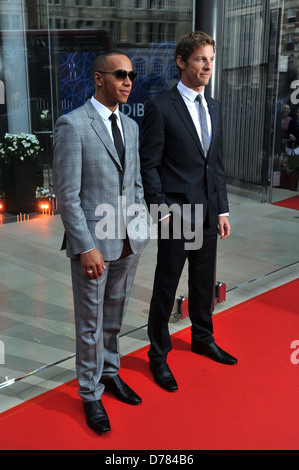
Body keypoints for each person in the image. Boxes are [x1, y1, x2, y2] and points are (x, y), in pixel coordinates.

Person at [53, 51, 149, 434]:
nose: (128, 81)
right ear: (98, 78)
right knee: (90, 323)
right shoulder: (72, 125)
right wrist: (85, 245)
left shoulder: (131, 127)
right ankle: (90, 393)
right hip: (94, 243)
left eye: (131, 75)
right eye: (120, 74)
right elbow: (67, 196)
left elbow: (137, 182)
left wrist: (139, 228)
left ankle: (110, 372)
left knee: (115, 314)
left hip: (128, 239)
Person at [139, 31, 237, 393]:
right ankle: (158, 355)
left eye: (211, 58)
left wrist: (223, 210)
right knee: (166, 286)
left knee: (202, 281)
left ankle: (202, 337)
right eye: (200, 58)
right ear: (182, 62)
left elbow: (216, 165)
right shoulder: (161, 107)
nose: (208, 65)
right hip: (176, 214)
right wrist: (160, 211)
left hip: (210, 212)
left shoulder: (213, 106)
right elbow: (148, 166)